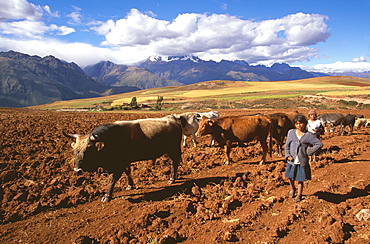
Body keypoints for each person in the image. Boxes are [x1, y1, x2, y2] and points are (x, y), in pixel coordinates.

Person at [285, 114, 323, 202]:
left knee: (300, 179)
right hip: (292, 160)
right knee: (290, 177)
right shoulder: (291, 132)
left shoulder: (309, 135)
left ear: (305, 124)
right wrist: (288, 155)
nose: (299, 125)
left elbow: (319, 144)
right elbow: (287, 145)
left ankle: (299, 195)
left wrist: (309, 151)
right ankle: (292, 189)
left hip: (302, 161)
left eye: (301, 123)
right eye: (297, 123)